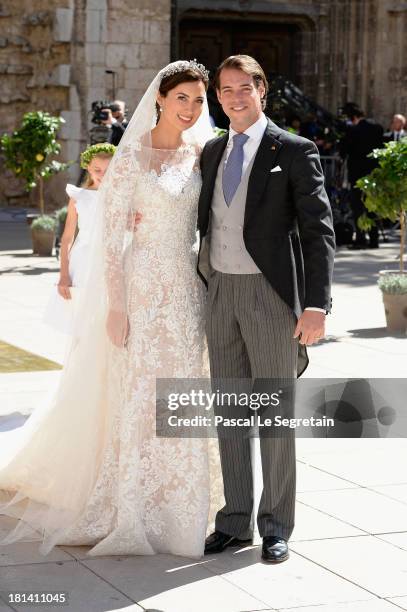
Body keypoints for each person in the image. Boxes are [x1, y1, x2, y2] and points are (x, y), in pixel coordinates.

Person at [0, 61, 220, 559]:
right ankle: (132, 501)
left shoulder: (204, 153)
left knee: (183, 385)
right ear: (159, 99)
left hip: (187, 285)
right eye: (181, 98)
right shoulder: (131, 156)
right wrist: (116, 306)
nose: (189, 109)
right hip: (140, 282)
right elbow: (111, 240)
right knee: (139, 389)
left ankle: (179, 497)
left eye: (197, 101)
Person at [198, 55, 335, 563]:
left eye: (244, 88)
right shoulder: (212, 151)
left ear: (262, 91)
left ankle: (276, 523)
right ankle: (234, 520)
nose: (235, 97)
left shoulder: (294, 151)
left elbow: (319, 232)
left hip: (270, 295)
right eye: (226, 89)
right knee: (229, 412)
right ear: (219, 95)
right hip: (220, 291)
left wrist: (316, 304)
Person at [43, 143, 116, 336]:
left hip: (111, 263)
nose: (102, 174)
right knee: (82, 324)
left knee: (107, 319)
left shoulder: (121, 196)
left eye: (108, 170)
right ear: (88, 169)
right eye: (97, 170)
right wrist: (64, 275)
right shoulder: (79, 196)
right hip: (82, 262)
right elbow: (67, 238)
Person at [340, 106, 384, 249]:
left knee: (358, 208)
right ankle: (374, 239)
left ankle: (360, 239)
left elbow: (344, 150)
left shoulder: (353, 130)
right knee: (372, 207)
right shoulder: (378, 128)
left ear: (353, 118)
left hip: (357, 176)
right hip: (374, 175)